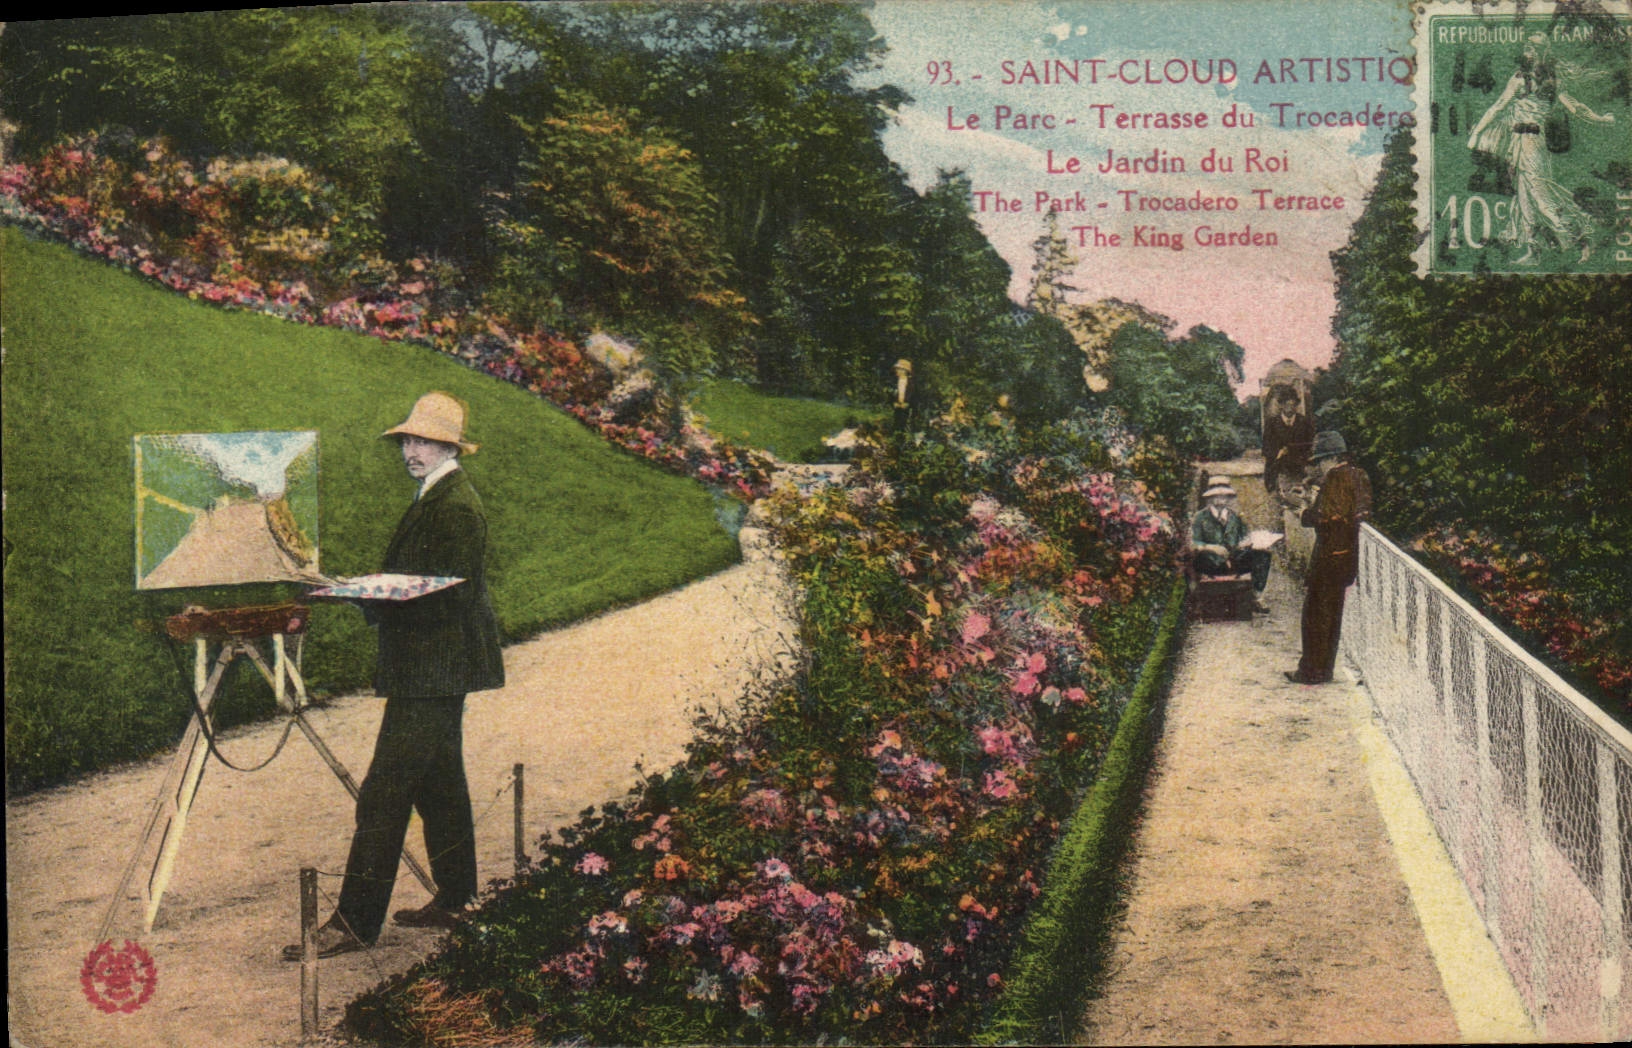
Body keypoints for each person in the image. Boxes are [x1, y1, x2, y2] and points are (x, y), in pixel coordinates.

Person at [284, 391, 505, 960]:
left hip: (434, 669)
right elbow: (419, 581)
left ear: (450, 447)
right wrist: (363, 589)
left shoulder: (455, 506)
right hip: (433, 667)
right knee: (439, 785)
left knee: (384, 792)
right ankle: (458, 899)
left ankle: (354, 923)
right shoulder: (438, 495)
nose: (412, 450)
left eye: (424, 441)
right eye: (408, 439)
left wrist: (364, 594)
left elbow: (443, 595)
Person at [1467, 34, 1616, 265]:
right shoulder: (1525, 79)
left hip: (1533, 143)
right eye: (1527, 46)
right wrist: (1477, 131)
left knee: (1540, 196)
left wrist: (1601, 119)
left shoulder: (1546, 81)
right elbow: (1499, 107)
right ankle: (1533, 251)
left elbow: (1575, 108)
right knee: (1524, 198)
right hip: (1519, 142)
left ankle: (1582, 238)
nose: (1526, 50)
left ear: (1540, 53)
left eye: (1531, 47)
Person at [1286, 432, 1372, 685]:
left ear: (1332, 458)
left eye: (1321, 460)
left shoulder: (1336, 478)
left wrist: (1304, 513)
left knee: (1315, 615)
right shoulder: (1359, 475)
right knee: (1332, 616)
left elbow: (1329, 518)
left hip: (1328, 557)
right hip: (1347, 556)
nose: (1319, 466)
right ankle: (1324, 670)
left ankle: (1311, 672)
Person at [1190, 477, 1272, 614]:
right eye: (1216, 495)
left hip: (1233, 561)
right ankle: (1196, 599)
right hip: (1210, 563)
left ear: (1229, 498)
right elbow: (1194, 542)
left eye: (1224, 495)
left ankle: (1257, 596)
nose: (1220, 499)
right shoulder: (1200, 517)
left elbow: (1245, 536)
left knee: (1263, 554)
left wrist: (1246, 542)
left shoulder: (1235, 517)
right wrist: (1211, 547)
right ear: (1210, 498)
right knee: (1192, 557)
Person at [1261, 388, 1315, 501]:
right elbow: (1266, 448)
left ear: (1297, 405)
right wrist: (1278, 453)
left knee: (1301, 498)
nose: (1290, 407)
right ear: (1281, 405)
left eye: (1293, 404)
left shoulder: (1304, 422)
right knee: (1280, 498)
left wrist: (1294, 450)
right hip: (1280, 468)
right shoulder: (1272, 423)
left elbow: (1311, 444)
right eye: (1287, 404)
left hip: (1300, 468)